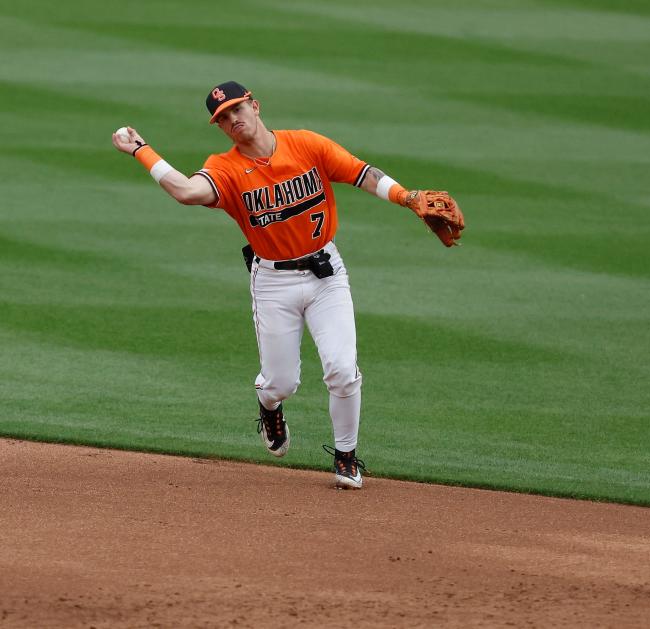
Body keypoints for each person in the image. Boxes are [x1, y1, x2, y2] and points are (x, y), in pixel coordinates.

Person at [111, 81, 464, 490]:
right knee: (282, 382)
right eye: (223, 118)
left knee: (342, 369)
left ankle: (347, 457)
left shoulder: (306, 145)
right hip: (273, 283)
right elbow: (187, 192)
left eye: (238, 109)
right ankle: (268, 404)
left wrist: (406, 197)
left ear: (255, 106)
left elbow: (361, 173)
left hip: (326, 275)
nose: (233, 119)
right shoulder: (225, 169)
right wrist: (142, 150)